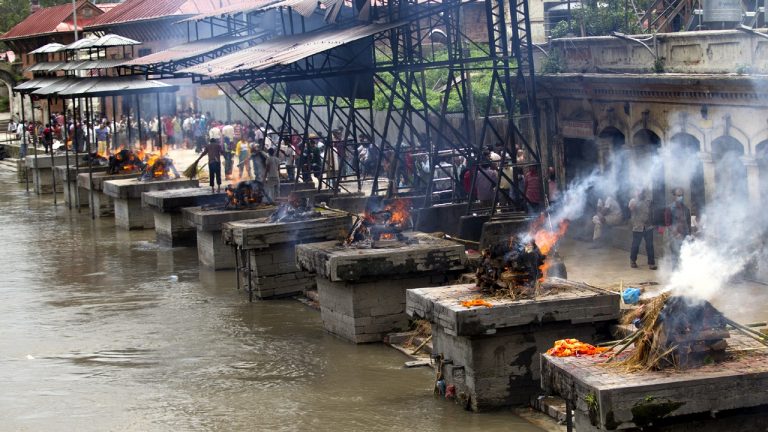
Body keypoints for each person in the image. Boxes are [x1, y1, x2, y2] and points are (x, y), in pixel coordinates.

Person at [628, 188, 657, 269]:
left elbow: (651, 212)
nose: (640, 193)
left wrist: (653, 223)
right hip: (638, 227)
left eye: (641, 192)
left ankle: (651, 263)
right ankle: (633, 260)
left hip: (648, 226)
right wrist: (635, 201)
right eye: (638, 191)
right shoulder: (633, 201)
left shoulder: (648, 201)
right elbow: (631, 208)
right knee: (635, 245)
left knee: (650, 246)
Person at [664, 187, 691, 268]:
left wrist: (689, 234)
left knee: (686, 257)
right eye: (678, 195)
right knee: (675, 257)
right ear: (674, 196)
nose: (680, 197)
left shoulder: (686, 209)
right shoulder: (669, 208)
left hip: (684, 236)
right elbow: (668, 224)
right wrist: (676, 234)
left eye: (681, 195)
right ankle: (675, 273)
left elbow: (688, 223)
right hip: (674, 237)